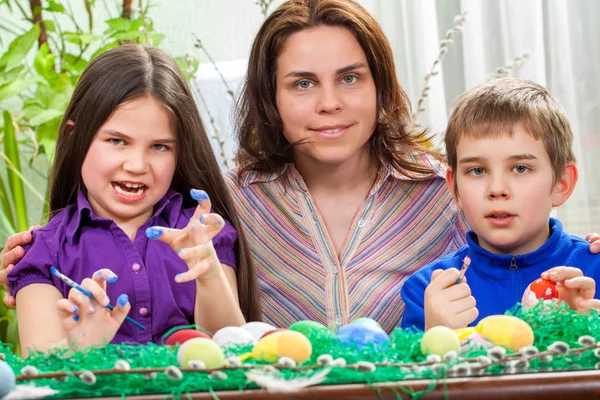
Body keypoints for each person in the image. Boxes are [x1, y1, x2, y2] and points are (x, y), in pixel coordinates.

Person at [2, 0, 599, 334]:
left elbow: (525, 239)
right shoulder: (227, 203)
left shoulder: (446, 188)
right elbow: (126, 220)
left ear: (381, 86)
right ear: (271, 99)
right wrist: (30, 262)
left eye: (350, 78)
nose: (329, 103)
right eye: (302, 83)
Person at [5, 45, 261, 356]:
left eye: (159, 147)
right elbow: (41, 371)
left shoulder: (200, 234)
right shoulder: (43, 253)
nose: (137, 165)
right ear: (75, 136)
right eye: (117, 141)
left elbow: (233, 351)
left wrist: (208, 274)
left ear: (180, 152)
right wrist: (82, 346)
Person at [401, 78, 600, 332]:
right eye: (477, 170)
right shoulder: (428, 292)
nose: (497, 189)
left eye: (520, 168)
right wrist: (437, 336)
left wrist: (588, 332)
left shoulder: (594, 270)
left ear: (561, 183)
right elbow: (410, 368)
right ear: (455, 188)